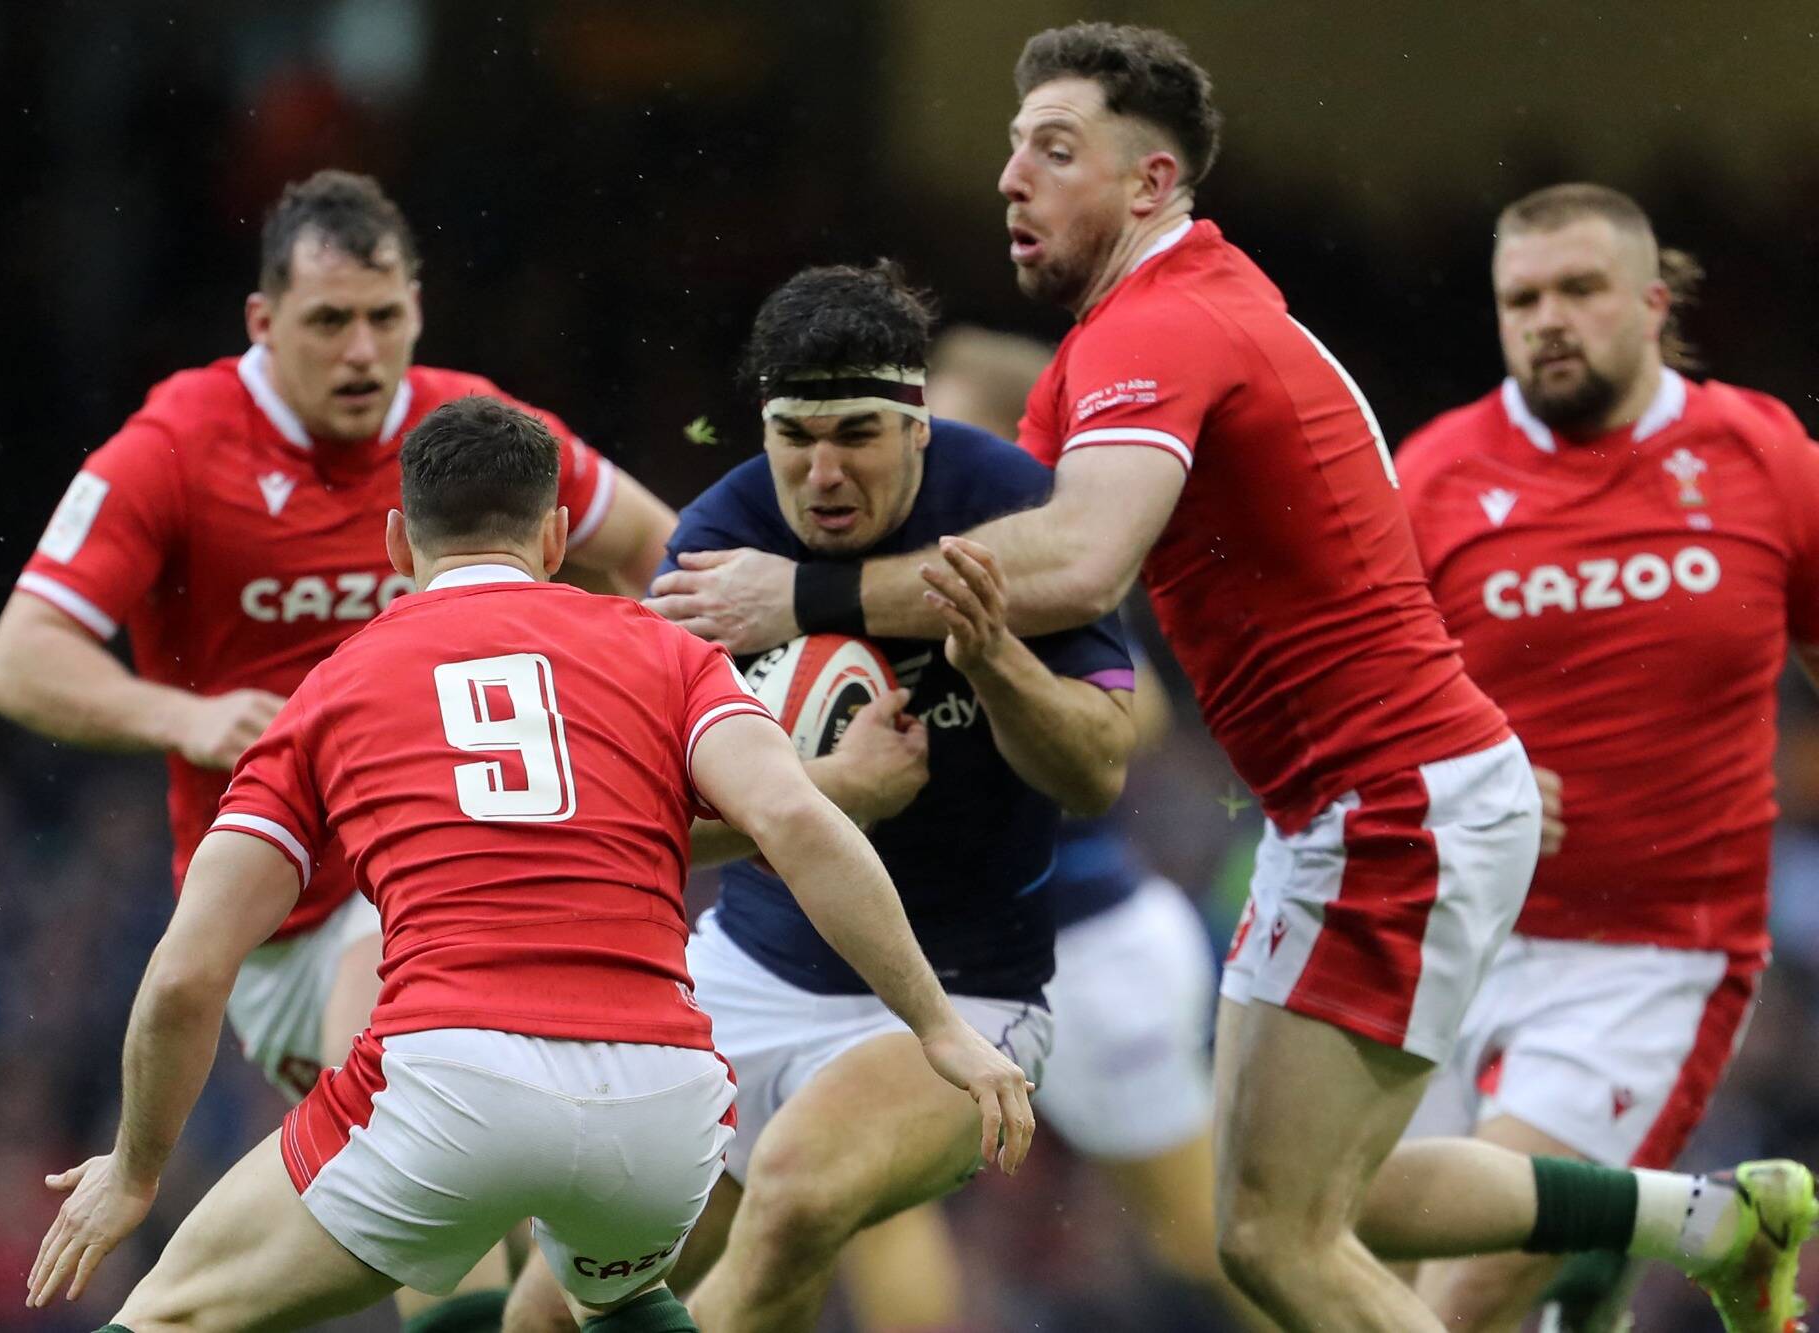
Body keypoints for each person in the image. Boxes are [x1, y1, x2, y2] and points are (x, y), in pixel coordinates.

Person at [644, 24, 1813, 1332]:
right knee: (1279, 1216)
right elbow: (1006, 540)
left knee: (1279, 1240)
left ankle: (1686, 1227)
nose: (1011, 177)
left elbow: (1076, 562)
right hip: (1353, 812)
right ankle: (1704, 1219)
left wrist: (803, 596)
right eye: (1013, 147)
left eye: (1055, 150)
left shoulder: (1167, 324)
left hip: (1390, 808)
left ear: (1150, 182)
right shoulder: (1123, 343)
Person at [22, 397, 1037, 1333]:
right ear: (555, 538)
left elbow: (188, 972)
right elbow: (796, 821)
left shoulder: (330, 693)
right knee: (620, 1298)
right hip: (664, 1101)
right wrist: (938, 1026)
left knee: (169, 1313)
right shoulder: (666, 651)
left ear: (397, 544)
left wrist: (137, 1169)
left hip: (454, 1077)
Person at [0, 170, 676, 1329]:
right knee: (466, 1206)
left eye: (384, 318)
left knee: (500, 1230)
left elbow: (662, 550)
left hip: (478, 869)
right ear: (263, 322)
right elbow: (20, 658)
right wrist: (185, 716)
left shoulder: (466, 435)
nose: (362, 352)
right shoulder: (175, 445)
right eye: (327, 322)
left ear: (418, 307)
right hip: (296, 916)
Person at [506, 262, 1138, 1333]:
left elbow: (1098, 770)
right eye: (795, 436)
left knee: (797, 1194)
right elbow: (644, 829)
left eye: (856, 433)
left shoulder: (1011, 505)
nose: (823, 471)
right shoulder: (714, 548)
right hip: (748, 974)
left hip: (968, 996)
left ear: (918, 424)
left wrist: (991, 659)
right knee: (549, 1311)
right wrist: (832, 788)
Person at [1392, 182, 1819, 1332]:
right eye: (1520, 299)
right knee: (1345, 1270)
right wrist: (1450, 776)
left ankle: (1639, 1243)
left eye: (1577, 289)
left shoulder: (1762, 456)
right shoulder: (1429, 477)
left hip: (1649, 954)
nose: (1547, 319)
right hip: (1443, 931)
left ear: (1650, 303)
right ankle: (1601, 1271)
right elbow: (1351, 710)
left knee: (1463, 1295)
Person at [835, 325, 1264, 1332]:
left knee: (1211, 1240)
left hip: (1082, 938)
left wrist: (994, 666)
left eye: (943, 430)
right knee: (857, 1201)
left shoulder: (1042, 578)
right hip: (924, 952)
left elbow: (1135, 726)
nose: (915, 452)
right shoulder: (865, 564)